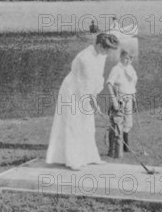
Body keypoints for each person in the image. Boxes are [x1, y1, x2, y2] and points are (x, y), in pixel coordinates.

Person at [46, 33, 119, 170]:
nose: (108, 52)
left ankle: (90, 157)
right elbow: (84, 84)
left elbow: (97, 78)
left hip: (85, 89)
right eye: (106, 49)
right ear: (98, 45)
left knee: (87, 124)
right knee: (73, 124)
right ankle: (73, 160)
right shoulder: (84, 58)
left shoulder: (101, 55)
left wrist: (94, 99)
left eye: (110, 50)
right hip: (73, 91)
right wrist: (93, 103)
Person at [106, 49, 138, 157]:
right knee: (117, 122)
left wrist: (133, 95)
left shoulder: (130, 68)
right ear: (121, 57)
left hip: (129, 97)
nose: (128, 61)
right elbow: (109, 84)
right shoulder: (116, 69)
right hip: (120, 98)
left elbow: (132, 82)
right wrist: (114, 100)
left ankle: (125, 147)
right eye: (126, 58)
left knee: (128, 122)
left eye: (131, 59)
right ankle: (114, 149)